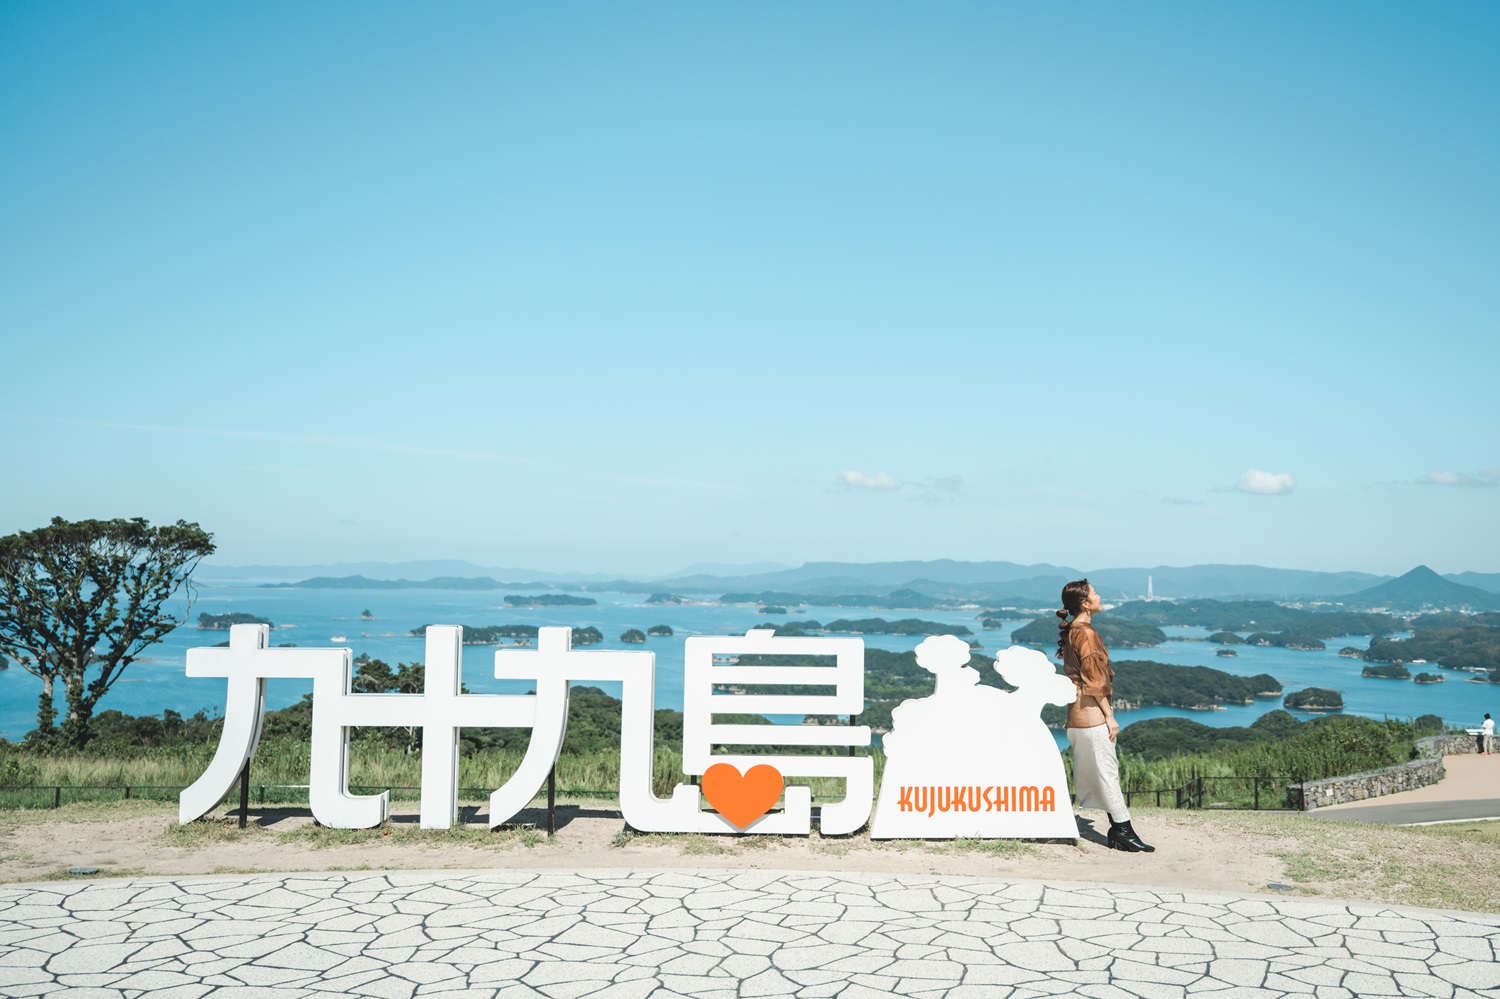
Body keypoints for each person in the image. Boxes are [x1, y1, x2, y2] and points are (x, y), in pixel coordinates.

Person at [1057, 578, 1153, 853]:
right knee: (1108, 774)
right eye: (1095, 593)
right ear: (1085, 604)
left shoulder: (1074, 630)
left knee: (1100, 774)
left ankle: (1119, 830)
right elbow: (1095, 681)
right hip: (1092, 717)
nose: (1100, 597)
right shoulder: (1086, 633)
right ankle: (1123, 831)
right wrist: (1109, 716)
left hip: (1077, 716)